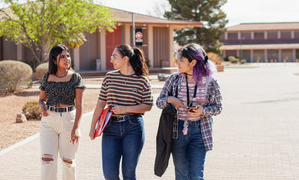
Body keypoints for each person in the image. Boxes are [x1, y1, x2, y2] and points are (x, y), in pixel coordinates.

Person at [156, 43, 222, 180]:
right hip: (177, 130)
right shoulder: (174, 79)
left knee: (196, 175)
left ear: (193, 62)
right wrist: (171, 99)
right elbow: (159, 102)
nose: (177, 63)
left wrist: (203, 110)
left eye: (181, 60)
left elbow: (218, 107)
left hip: (200, 131)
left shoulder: (210, 82)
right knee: (181, 174)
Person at [89, 44, 153, 180]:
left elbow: (148, 105)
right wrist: (92, 127)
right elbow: (100, 103)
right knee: (110, 174)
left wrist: (126, 109)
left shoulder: (142, 80)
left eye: (114, 56)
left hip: (133, 128)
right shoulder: (109, 77)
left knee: (129, 174)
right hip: (110, 128)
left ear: (125, 59)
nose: (111, 59)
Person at [39, 44, 85, 180]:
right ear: (54, 60)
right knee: (47, 162)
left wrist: (76, 128)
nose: (67, 59)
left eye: (68, 56)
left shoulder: (76, 78)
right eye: (62, 57)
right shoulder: (47, 77)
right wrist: (42, 107)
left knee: (68, 162)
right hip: (48, 122)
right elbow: (41, 99)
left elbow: (80, 105)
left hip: (68, 120)